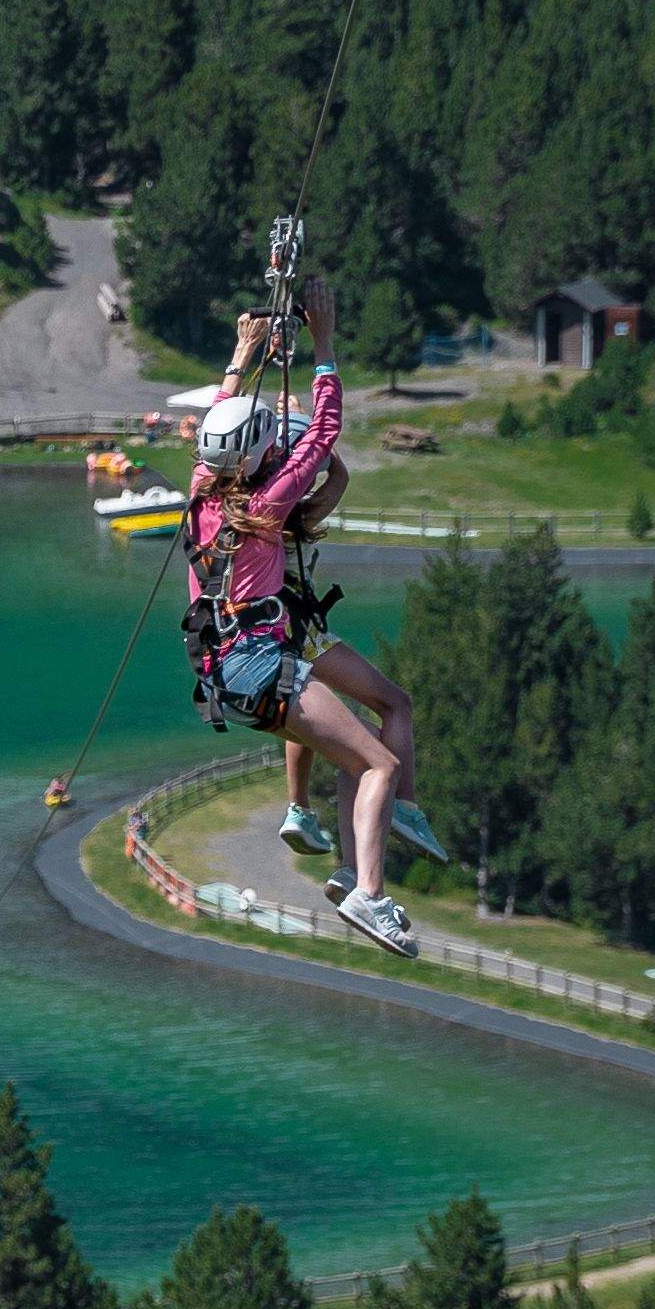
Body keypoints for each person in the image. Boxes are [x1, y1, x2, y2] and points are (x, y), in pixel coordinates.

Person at [182, 277, 440, 956]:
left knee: (359, 758)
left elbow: (220, 419)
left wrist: (242, 358)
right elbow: (324, 431)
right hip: (264, 669)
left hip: (228, 671)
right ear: (259, 452)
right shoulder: (265, 507)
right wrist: (323, 342)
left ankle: (351, 867)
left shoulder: (203, 493)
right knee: (380, 764)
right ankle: (369, 897)